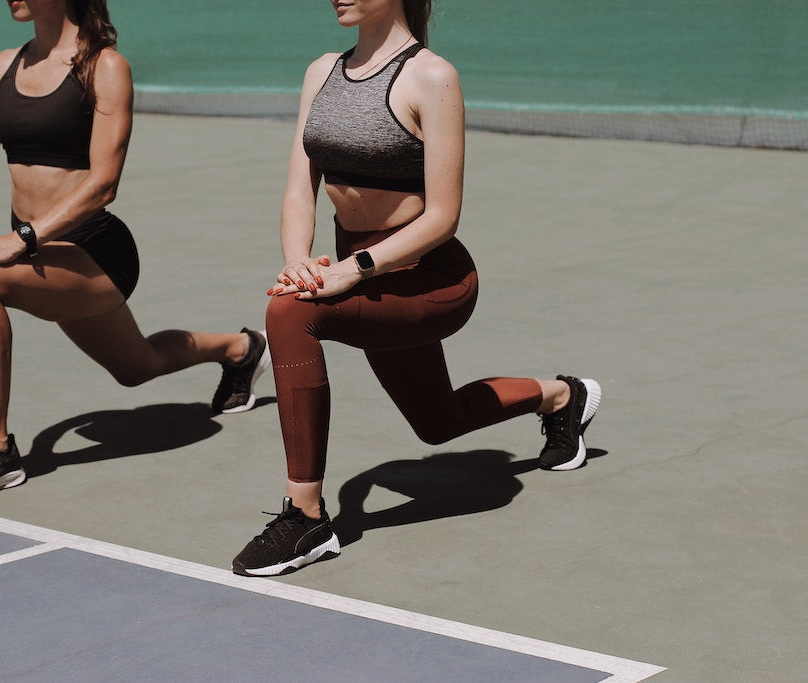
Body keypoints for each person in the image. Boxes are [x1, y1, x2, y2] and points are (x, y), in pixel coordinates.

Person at [231, 0, 601, 576]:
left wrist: (354, 269)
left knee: (288, 315)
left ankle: (305, 518)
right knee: (437, 422)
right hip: (359, 273)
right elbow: (300, 187)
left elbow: (442, 217)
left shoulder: (432, 76)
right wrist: (299, 261)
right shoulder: (321, 70)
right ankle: (562, 396)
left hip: (432, 281)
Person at [0, 0, 268, 501]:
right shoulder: (1, 67)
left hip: (96, 255)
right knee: (137, 369)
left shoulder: (105, 67)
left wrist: (16, 243)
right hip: (32, 253)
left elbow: (103, 184)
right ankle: (241, 349)